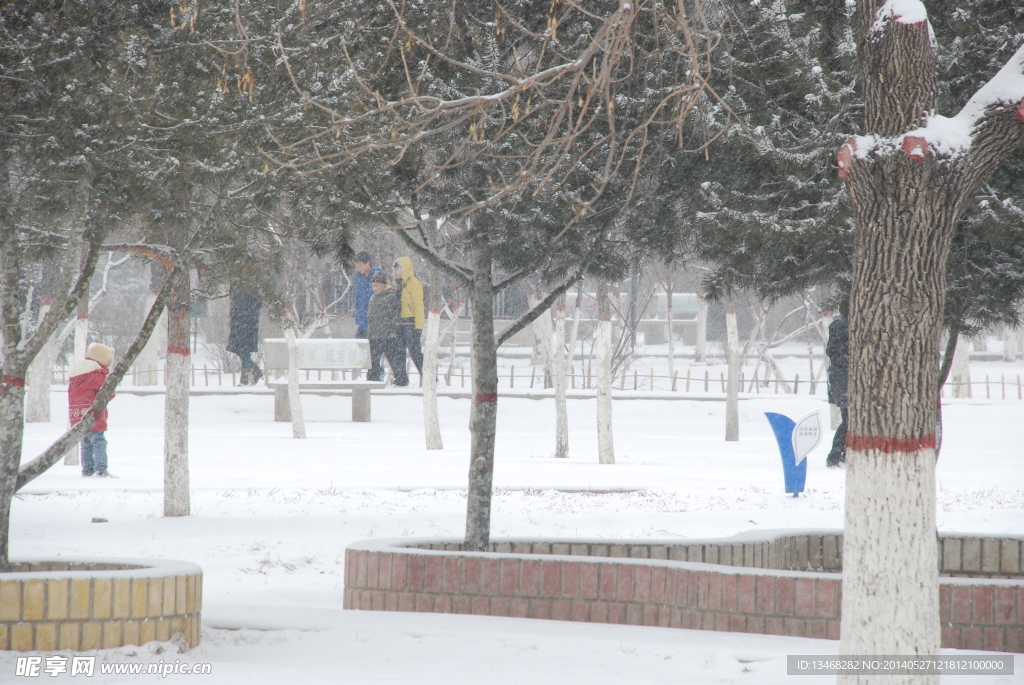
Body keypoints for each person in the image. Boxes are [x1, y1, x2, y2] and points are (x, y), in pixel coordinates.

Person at [69, 343, 116, 477]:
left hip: (77, 414)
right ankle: (101, 470)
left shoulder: (77, 373)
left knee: (86, 443)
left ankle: (87, 470)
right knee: (99, 441)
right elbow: (108, 394)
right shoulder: (96, 373)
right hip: (93, 413)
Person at [365, 271, 409, 386]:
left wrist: (393, 330)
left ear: (383, 285)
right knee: (373, 362)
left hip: (388, 335)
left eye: (376, 285)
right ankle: (372, 381)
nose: (374, 288)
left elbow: (396, 314)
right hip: (374, 335)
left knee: (394, 361)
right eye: (373, 285)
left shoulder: (391, 295)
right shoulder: (373, 298)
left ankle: (401, 382)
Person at [392, 257, 425, 377]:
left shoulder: (414, 284)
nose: (396, 272)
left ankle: (429, 377)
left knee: (415, 352)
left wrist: (419, 327)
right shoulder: (400, 285)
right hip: (400, 323)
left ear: (404, 269)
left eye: (398, 269)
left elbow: (419, 306)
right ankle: (401, 379)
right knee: (398, 351)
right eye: (395, 269)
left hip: (411, 323)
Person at [826, 314, 849, 468]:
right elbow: (836, 354)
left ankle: (841, 454)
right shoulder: (844, 325)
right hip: (845, 381)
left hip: (840, 381)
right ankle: (837, 455)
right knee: (849, 420)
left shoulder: (838, 325)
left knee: (848, 419)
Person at [227, 287, 263, 385]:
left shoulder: (253, 290)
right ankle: (256, 371)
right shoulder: (239, 287)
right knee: (239, 350)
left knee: (244, 351)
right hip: (238, 322)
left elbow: (257, 304)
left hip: (248, 324)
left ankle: (244, 379)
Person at [353, 251, 382, 339]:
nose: (358, 268)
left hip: (375, 322)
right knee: (359, 346)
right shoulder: (359, 278)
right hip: (362, 321)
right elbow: (358, 299)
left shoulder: (378, 275)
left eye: (360, 265)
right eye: (357, 265)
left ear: (368, 263)